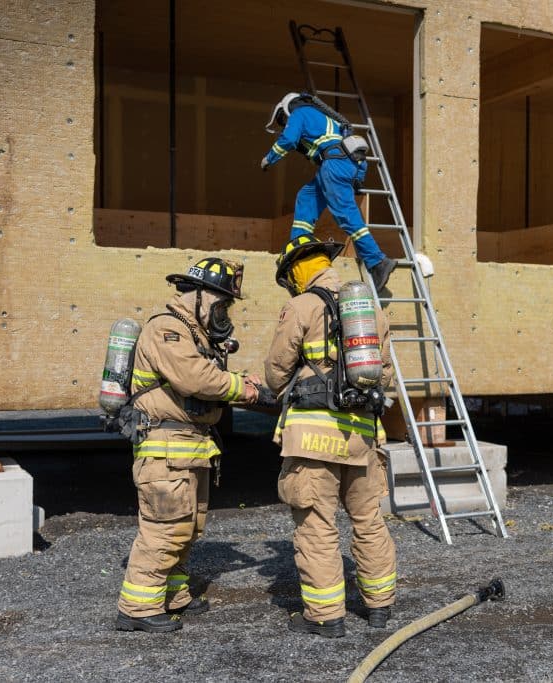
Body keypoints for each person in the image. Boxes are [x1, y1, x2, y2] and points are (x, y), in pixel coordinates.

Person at [115, 257, 261, 633]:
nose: (224, 313)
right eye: (221, 304)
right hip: (165, 447)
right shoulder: (167, 329)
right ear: (197, 295)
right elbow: (195, 379)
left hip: (190, 446)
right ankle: (138, 607)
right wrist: (243, 388)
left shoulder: (195, 335)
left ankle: (173, 594)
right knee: (164, 528)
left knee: (187, 527)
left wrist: (245, 379)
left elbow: (206, 375)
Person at [265, 235, 398, 638]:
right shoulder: (369, 309)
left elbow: (276, 372)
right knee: (369, 520)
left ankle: (325, 617)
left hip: (312, 440)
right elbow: (386, 375)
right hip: (362, 437)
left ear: (296, 272)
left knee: (317, 526)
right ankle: (380, 606)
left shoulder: (301, 306)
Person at [260, 92, 396, 293]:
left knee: (346, 214)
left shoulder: (300, 113)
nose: (284, 123)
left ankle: (377, 261)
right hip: (341, 164)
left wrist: (269, 159)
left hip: (333, 165)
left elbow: (288, 139)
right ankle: (300, 247)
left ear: (288, 107)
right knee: (306, 197)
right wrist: (357, 177)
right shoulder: (327, 120)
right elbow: (355, 150)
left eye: (282, 119)